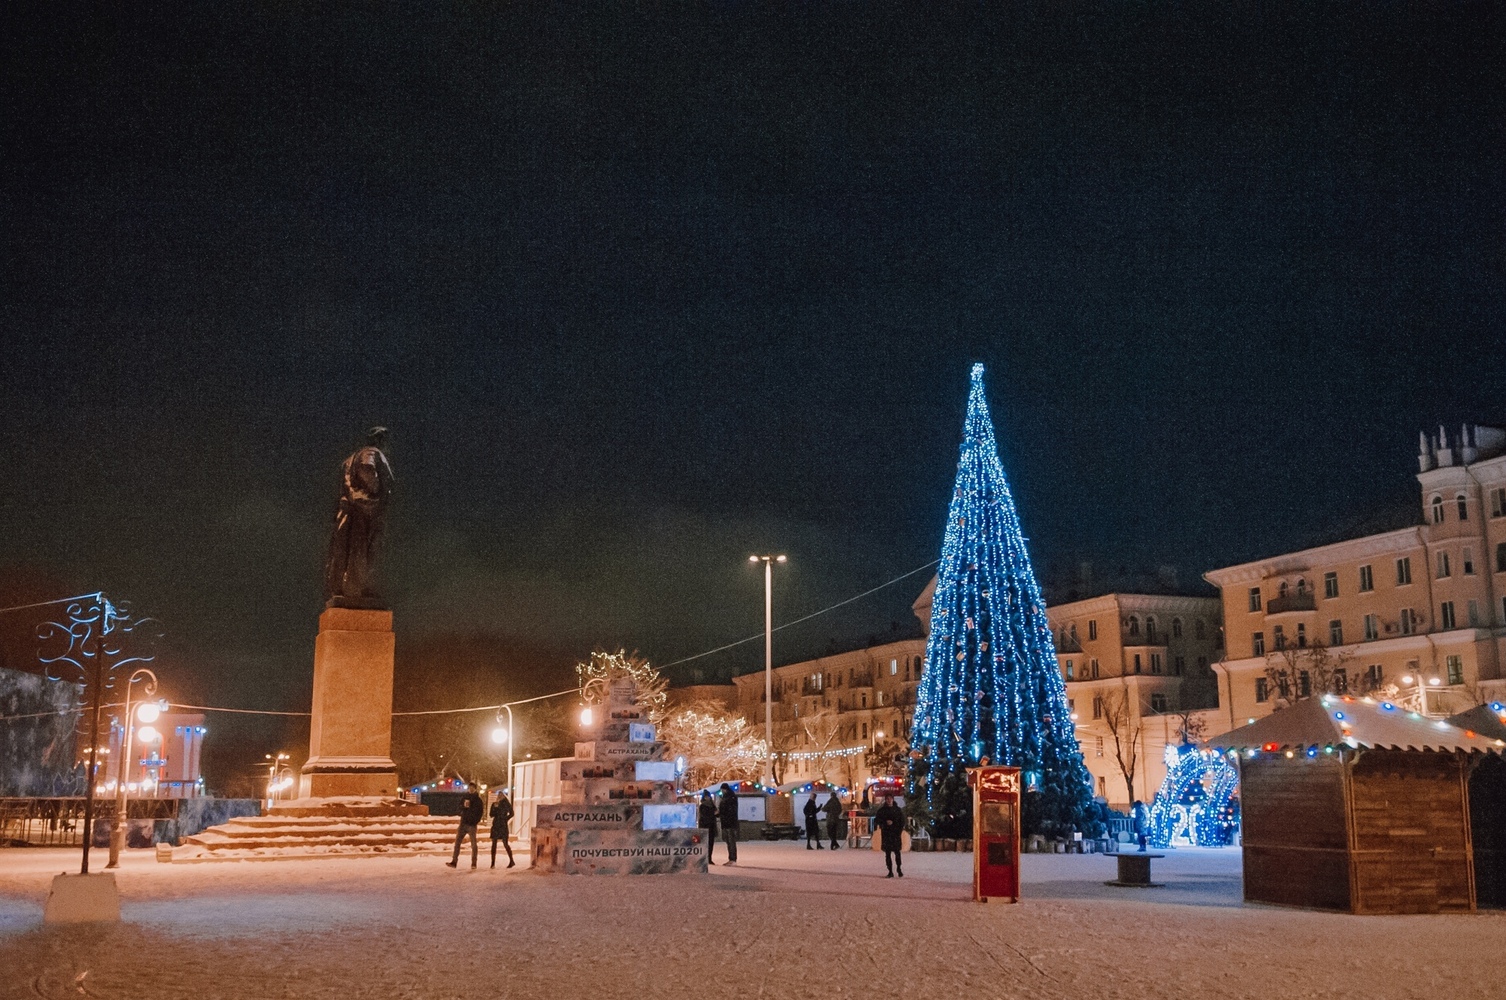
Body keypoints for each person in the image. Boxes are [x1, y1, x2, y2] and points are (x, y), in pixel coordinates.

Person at [446, 789, 484, 869]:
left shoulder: (478, 800)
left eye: (472, 787)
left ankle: (474, 863)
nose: (471, 789)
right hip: (463, 823)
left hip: (472, 825)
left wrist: (475, 821)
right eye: (470, 787)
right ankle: (454, 861)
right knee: (457, 843)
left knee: (473, 844)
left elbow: (480, 812)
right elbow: (460, 807)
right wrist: (463, 808)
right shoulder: (465, 797)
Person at [874, 797, 905, 878]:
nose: (889, 800)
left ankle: (899, 868)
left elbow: (902, 821)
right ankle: (890, 871)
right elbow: (877, 820)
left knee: (897, 853)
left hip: (895, 834)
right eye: (887, 799)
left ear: (892, 799)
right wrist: (884, 822)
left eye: (890, 799)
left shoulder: (897, 810)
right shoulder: (882, 811)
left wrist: (896, 826)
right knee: (888, 854)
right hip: (886, 834)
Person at [489, 790, 515, 869]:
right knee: (494, 844)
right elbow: (491, 814)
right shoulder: (495, 804)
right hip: (497, 824)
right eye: (498, 795)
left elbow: (512, 813)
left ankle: (511, 860)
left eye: (501, 795)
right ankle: (493, 863)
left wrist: (505, 818)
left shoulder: (506, 803)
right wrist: (494, 808)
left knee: (504, 843)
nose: (499, 797)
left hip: (502, 825)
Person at [717, 782, 739, 865]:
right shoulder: (727, 797)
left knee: (731, 841)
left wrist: (721, 813)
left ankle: (733, 859)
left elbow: (729, 810)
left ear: (725, 789)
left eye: (722, 790)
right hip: (726, 822)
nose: (722, 791)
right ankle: (731, 858)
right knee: (728, 841)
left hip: (730, 823)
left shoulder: (730, 798)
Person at [698, 789, 719, 865]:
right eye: (706, 797)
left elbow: (716, 814)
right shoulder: (702, 806)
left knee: (711, 843)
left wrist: (716, 813)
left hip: (712, 826)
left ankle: (709, 858)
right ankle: (704, 858)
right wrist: (713, 814)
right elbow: (704, 816)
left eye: (708, 796)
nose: (708, 798)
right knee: (705, 844)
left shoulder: (712, 805)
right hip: (705, 826)